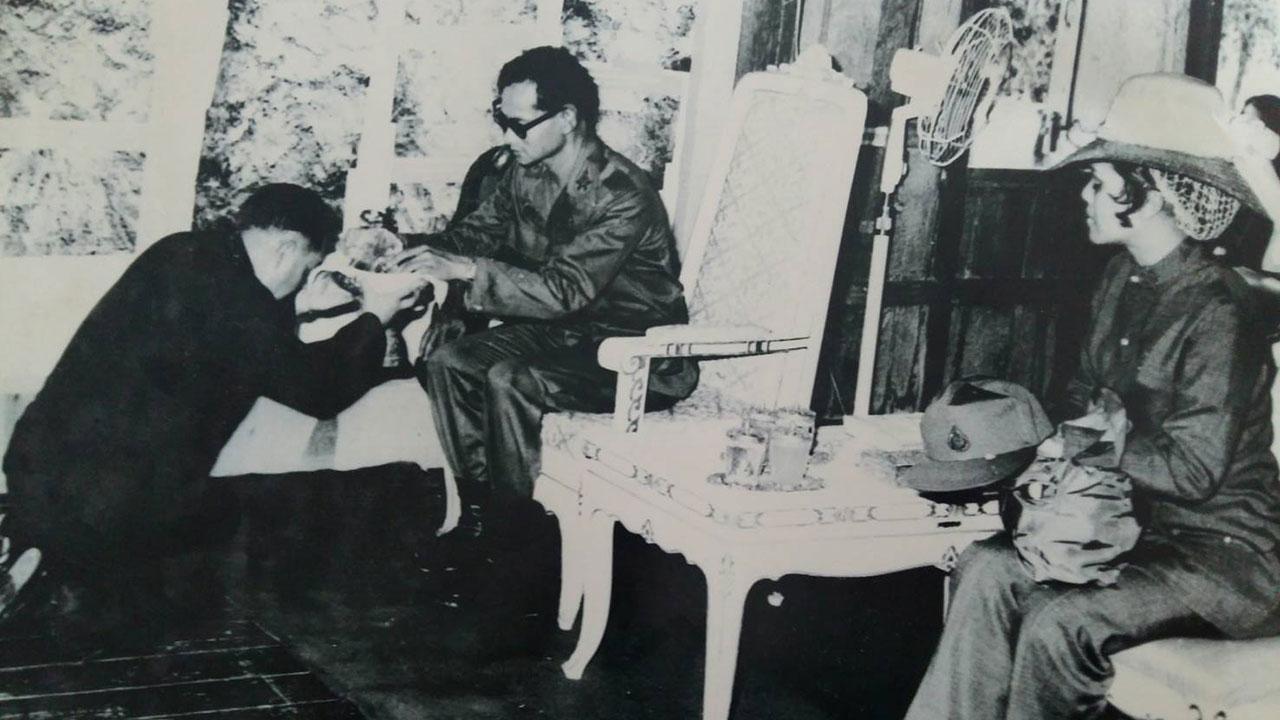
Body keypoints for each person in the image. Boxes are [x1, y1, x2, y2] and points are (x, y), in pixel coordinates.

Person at [904, 73, 1280, 720]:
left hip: (1221, 559)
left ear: (1153, 194)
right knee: (986, 568)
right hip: (1122, 530)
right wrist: (1035, 436)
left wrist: (1081, 442)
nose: (1086, 195)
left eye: (1100, 183)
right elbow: (1083, 395)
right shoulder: (1117, 278)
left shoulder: (1220, 312)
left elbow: (1191, 471)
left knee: (1060, 622)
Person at [0, 183, 421, 635]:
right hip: (108, 501)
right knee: (187, 579)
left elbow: (231, 341)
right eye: (306, 268)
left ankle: (37, 555)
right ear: (285, 248)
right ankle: (60, 578)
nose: (303, 280)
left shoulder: (183, 251)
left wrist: (297, 308)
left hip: (40, 464)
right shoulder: (240, 298)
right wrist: (375, 316)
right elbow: (318, 391)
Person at [392, 46, 697, 536]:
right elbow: (478, 232)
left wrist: (465, 269)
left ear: (568, 118)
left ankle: (514, 534)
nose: (506, 137)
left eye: (520, 125)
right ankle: (478, 519)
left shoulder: (623, 195)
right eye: (502, 121)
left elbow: (563, 291)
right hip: (566, 334)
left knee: (511, 379)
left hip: (633, 353)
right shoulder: (526, 170)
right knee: (450, 362)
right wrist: (403, 247)